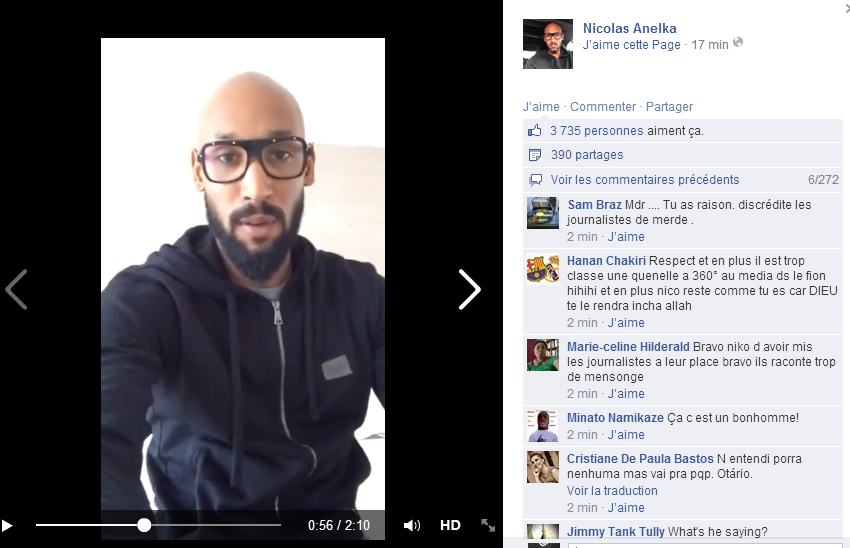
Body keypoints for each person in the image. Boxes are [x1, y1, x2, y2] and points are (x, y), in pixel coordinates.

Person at [100, 72, 385, 540]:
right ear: (198, 172)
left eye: (280, 154)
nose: (256, 188)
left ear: (308, 166)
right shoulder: (145, 302)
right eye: (228, 156)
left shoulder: (361, 295)